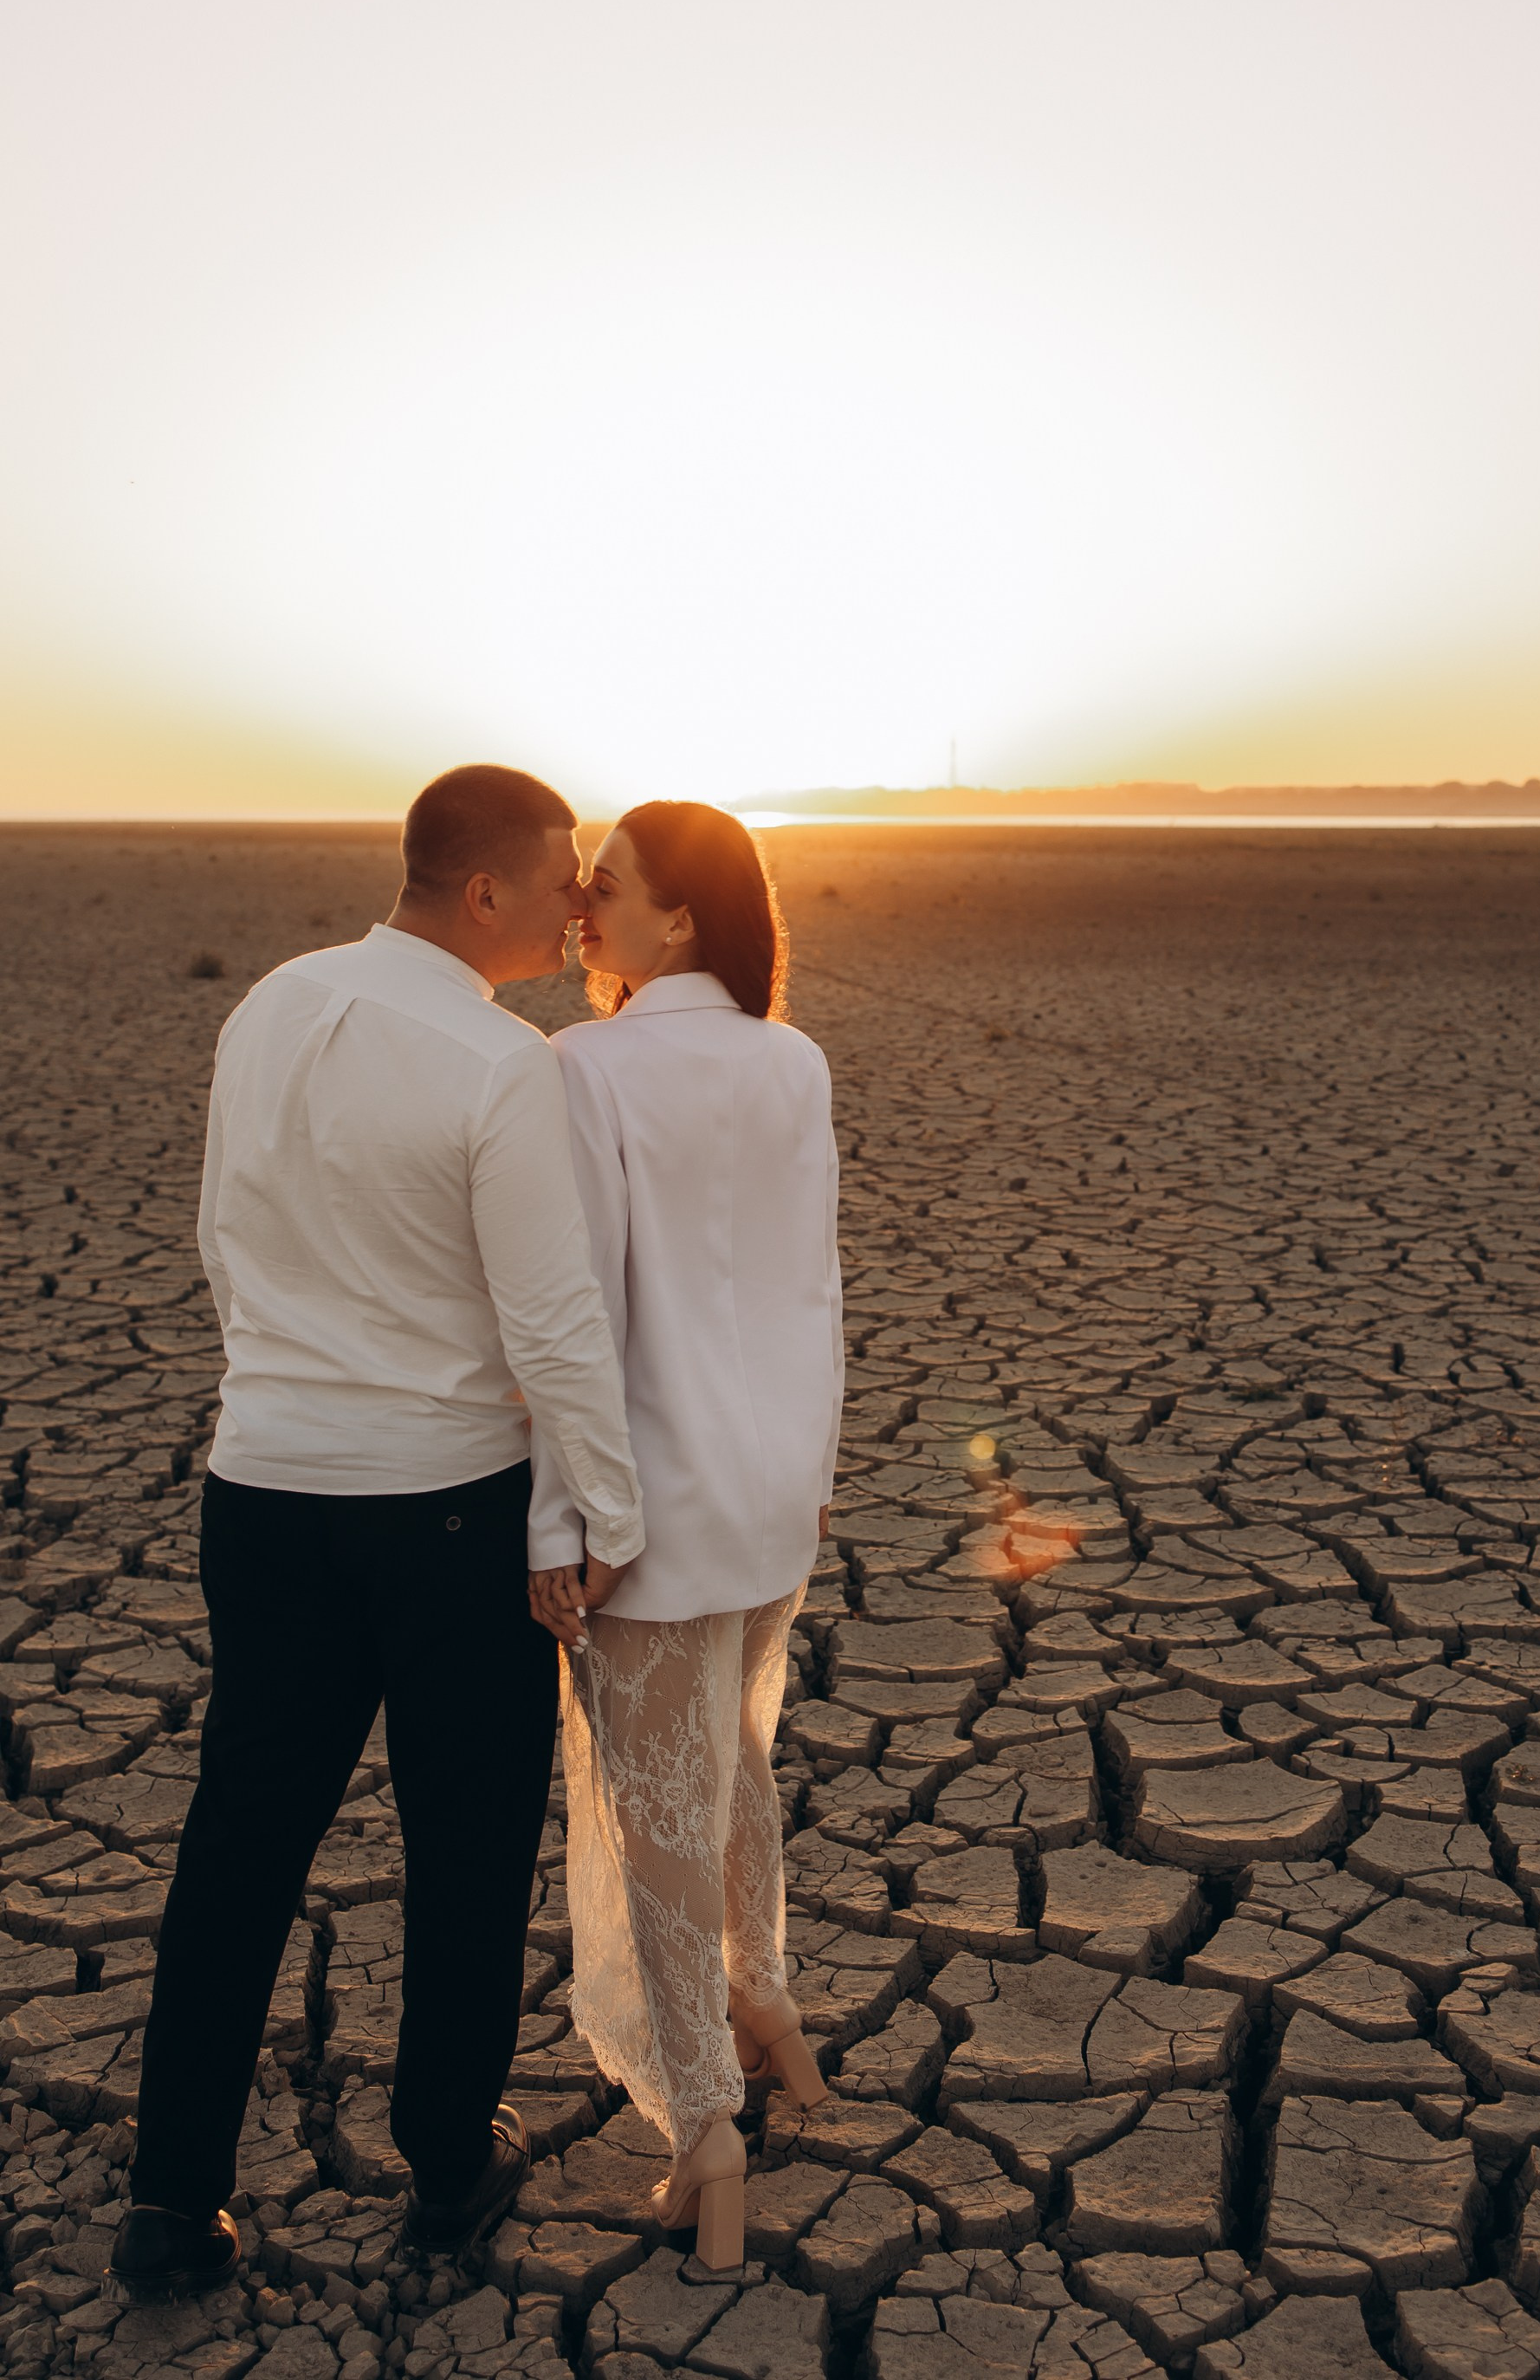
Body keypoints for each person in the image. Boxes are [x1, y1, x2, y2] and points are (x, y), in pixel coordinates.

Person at [113, 765, 644, 2296]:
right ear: (485, 892)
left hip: (263, 1492)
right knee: (463, 1844)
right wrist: (598, 1509)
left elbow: (227, 1235)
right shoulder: (503, 1061)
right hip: (445, 1508)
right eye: (561, 879)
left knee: (241, 1841)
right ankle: (446, 2159)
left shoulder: (269, 1006)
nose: (578, 905)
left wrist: (286, 1390)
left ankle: (169, 2197)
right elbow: (553, 1324)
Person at [531, 801, 844, 2271]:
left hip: (647, 1506)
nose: (581, 904)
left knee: (657, 1822)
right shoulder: (793, 1061)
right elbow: (814, 1296)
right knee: (735, 1762)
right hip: (772, 1493)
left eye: (609, 886)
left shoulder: (584, 1065)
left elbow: (576, 1310)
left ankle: (706, 2128)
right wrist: (816, 1472)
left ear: (683, 922)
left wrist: (563, 1516)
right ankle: (768, 2003)